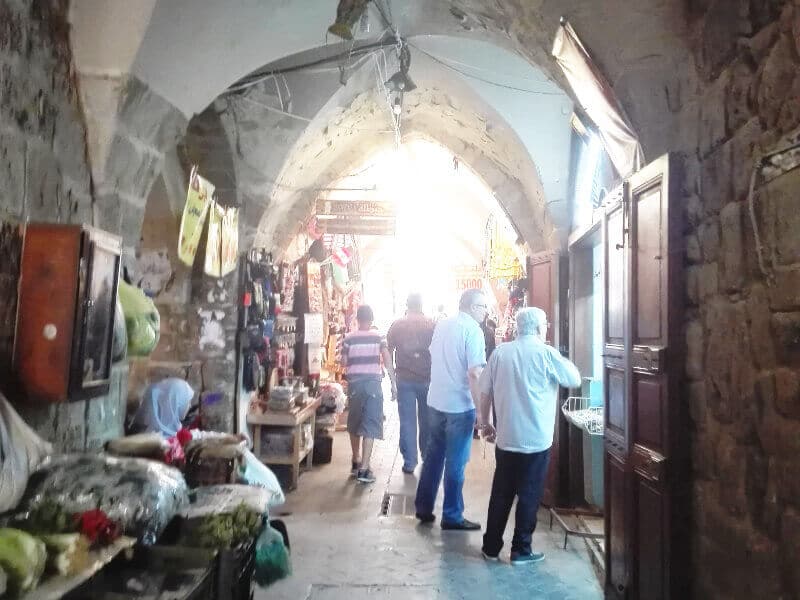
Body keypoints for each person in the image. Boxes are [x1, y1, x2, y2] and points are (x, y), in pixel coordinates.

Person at [477, 307, 581, 564]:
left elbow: (483, 390)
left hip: (507, 438)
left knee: (501, 493)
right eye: (545, 324)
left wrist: (485, 421)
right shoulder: (546, 354)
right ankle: (521, 550)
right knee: (529, 494)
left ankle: (491, 548)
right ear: (538, 328)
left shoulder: (501, 353)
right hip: (536, 441)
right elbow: (574, 379)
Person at [415, 288, 487, 530]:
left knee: (433, 456)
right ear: (472, 307)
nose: (485, 312)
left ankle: (423, 507)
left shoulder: (443, 325)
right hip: (459, 405)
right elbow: (475, 373)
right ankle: (452, 515)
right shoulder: (473, 331)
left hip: (436, 401)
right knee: (456, 462)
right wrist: (480, 412)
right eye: (483, 307)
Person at [342, 304, 397, 484]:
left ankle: (356, 460)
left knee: (355, 421)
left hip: (355, 385)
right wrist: (393, 383)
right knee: (371, 422)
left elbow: (343, 361)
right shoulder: (378, 337)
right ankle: (365, 470)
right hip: (373, 384)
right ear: (371, 319)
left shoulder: (348, 338)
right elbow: (387, 358)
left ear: (357, 320)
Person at [387, 293, 436, 474]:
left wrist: (392, 376)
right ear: (422, 305)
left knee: (407, 421)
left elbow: (388, 350)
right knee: (427, 420)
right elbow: (438, 351)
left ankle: (409, 462)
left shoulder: (397, 325)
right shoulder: (431, 324)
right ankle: (427, 456)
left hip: (404, 379)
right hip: (427, 379)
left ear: (407, 305)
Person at [131, 378, 195, 437]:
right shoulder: (157, 439)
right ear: (176, 403)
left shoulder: (171, 431)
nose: (190, 405)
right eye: (187, 401)